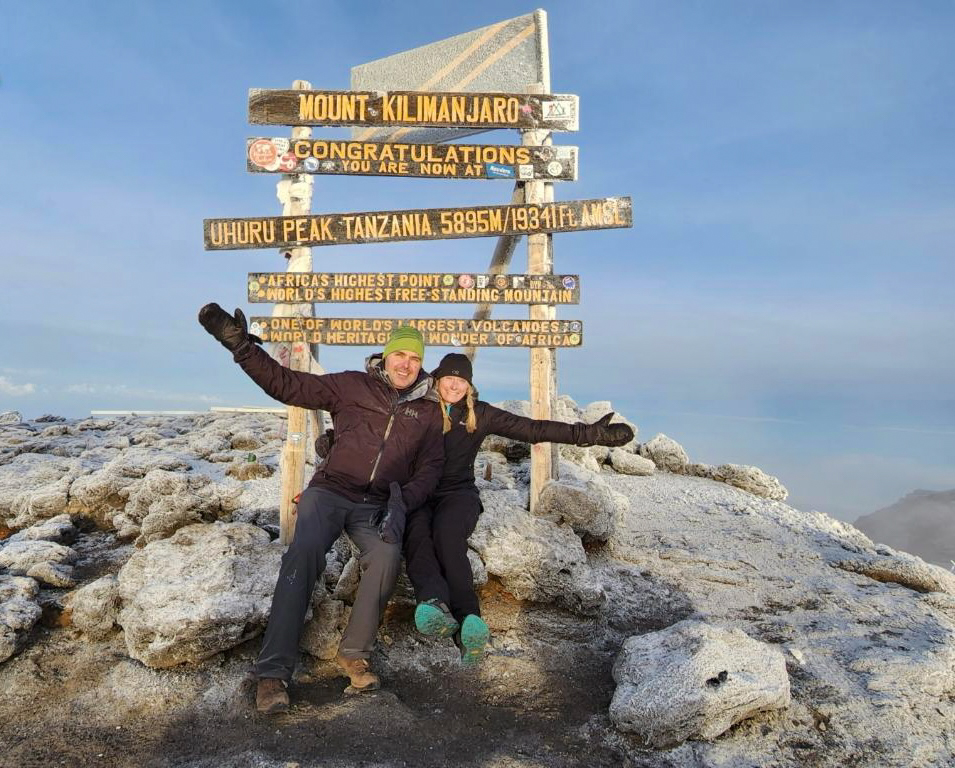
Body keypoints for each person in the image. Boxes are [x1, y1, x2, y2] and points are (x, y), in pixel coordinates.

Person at [198, 303, 444, 713]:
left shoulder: (428, 412)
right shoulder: (351, 385)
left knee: (386, 556)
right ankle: (272, 673)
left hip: (376, 505)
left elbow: (431, 467)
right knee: (303, 556)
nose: (406, 364)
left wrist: (403, 504)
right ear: (385, 356)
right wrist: (242, 348)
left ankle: (354, 653)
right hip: (329, 493)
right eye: (400, 354)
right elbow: (287, 385)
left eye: (415, 358)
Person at [404, 353, 634, 665]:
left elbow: (531, 428)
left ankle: (469, 624)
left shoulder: (480, 414)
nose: (455, 385)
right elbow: (375, 432)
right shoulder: (416, 408)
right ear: (437, 378)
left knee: (448, 539)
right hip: (416, 491)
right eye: (450, 378)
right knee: (416, 534)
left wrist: (587, 434)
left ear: (469, 384)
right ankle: (433, 605)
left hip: (457, 495)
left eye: (462, 379)